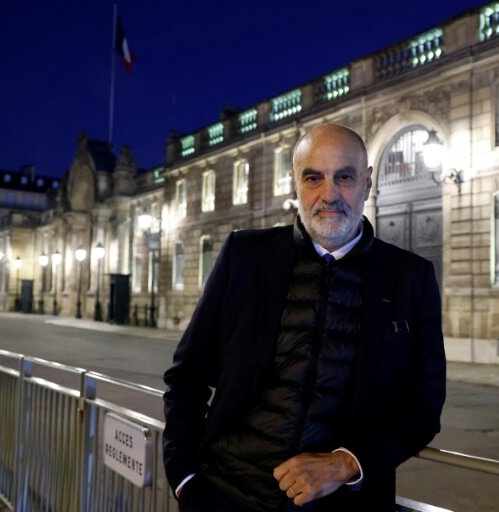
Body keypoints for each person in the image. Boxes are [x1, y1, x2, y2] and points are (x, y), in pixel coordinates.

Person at [162, 123, 446, 512]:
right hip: (222, 494)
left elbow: (424, 406)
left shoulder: (411, 278)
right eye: (314, 177)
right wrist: (185, 480)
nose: (329, 194)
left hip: (339, 505)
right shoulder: (246, 256)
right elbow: (187, 376)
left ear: (367, 183)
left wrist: (346, 462)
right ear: (296, 183)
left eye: (344, 177)